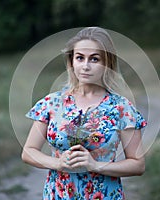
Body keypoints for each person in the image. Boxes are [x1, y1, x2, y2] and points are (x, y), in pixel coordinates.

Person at [22, 27, 147, 200]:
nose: (86, 66)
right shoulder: (52, 103)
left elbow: (138, 164)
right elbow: (28, 151)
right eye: (80, 58)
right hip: (59, 195)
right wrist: (57, 163)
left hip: (105, 195)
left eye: (94, 59)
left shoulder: (122, 108)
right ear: (71, 62)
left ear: (107, 64)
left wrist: (95, 165)